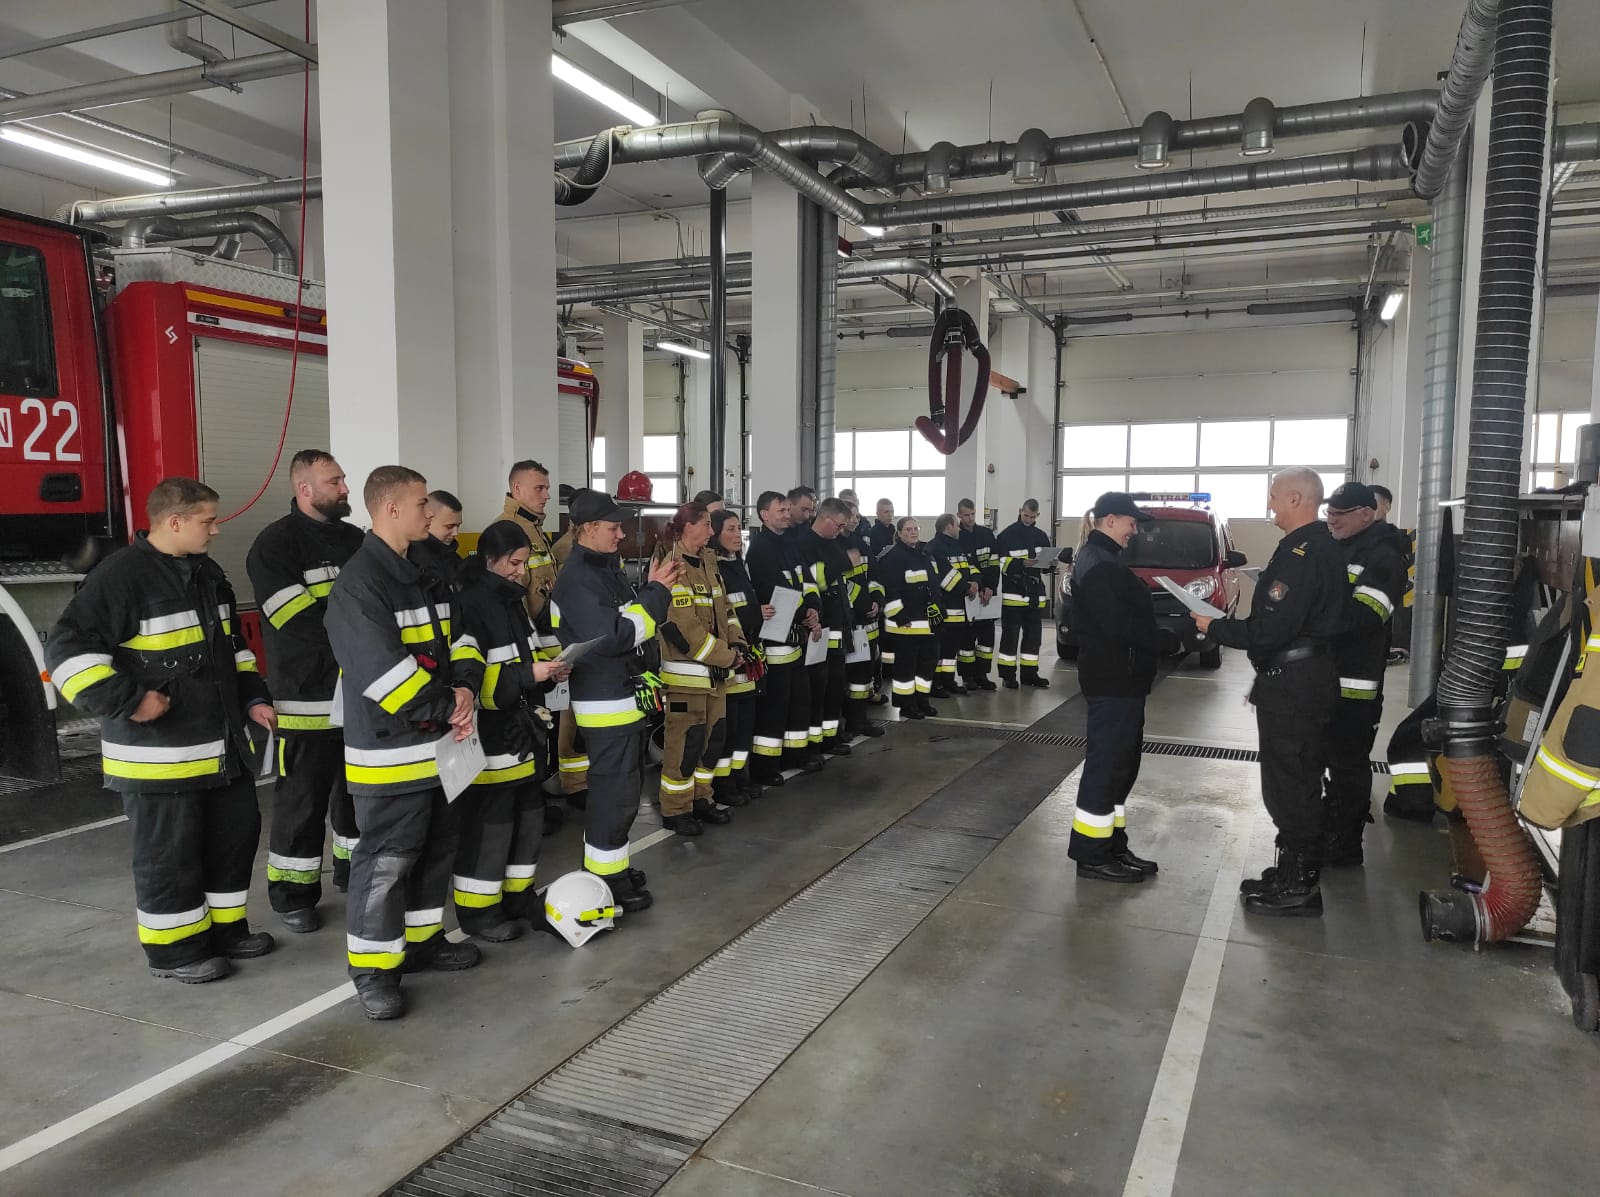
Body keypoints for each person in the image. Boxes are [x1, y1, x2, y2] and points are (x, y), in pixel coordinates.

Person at [46, 478, 277, 983]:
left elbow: (233, 649)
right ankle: (175, 952)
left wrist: (254, 696)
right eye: (207, 521)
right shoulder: (121, 577)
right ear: (174, 521)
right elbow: (66, 652)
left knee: (233, 840)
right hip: (160, 759)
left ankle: (225, 931)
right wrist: (129, 701)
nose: (215, 530)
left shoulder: (208, 573)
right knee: (169, 858)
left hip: (222, 751)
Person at [326, 466, 482, 1020]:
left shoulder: (425, 569)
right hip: (391, 755)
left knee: (436, 851)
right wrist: (448, 705)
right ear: (391, 509)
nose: (429, 512)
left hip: (439, 750)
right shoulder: (360, 584)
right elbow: (382, 673)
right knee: (386, 864)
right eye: (421, 504)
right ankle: (374, 972)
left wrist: (466, 686)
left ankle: (422, 942)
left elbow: (462, 637)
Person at [1192, 467, 1344, 918]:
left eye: (1274, 496)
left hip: (1296, 685)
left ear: (1296, 499)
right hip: (1297, 679)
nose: (1270, 504)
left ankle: (1301, 886)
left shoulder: (1304, 553)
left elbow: (1272, 629)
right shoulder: (1314, 547)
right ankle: (1289, 871)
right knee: (1290, 779)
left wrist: (1215, 627)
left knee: (1291, 784)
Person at [246, 449, 364, 933]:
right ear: (305, 489)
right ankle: (293, 896)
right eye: (335, 481)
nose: (345, 488)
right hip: (304, 698)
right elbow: (293, 619)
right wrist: (362, 641)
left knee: (357, 792)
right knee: (302, 801)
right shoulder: (274, 546)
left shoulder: (355, 540)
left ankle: (355, 872)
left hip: (356, 692)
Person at [550, 489, 679, 909]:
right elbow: (615, 636)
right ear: (588, 529)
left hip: (623, 696)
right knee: (613, 794)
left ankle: (614, 868)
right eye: (613, 527)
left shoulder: (604, 570)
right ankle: (605, 878)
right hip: (606, 703)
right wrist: (656, 593)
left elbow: (632, 623)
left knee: (624, 792)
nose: (621, 534)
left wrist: (651, 594)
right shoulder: (579, 579)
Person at [450, 520, 571, 941]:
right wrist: (527, 675)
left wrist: (550, 671)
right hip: (491, 734)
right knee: (492, 826)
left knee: (528, 817)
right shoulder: (471, 604)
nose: (521, 572)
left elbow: (526, 653)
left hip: (522, 728)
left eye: (523, 563)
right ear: (490, 560)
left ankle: (518, 896)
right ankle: (478, 911)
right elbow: (469, 678)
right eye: (514, 563)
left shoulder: (511, 602)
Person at [1067, 493, 1162, 884]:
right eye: (1130, 523)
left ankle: (1111, 844)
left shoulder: (1104, 559)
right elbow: (1115, 624)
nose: (1133, 531)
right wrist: (1161, 639)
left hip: (1123, 679)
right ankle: (1091, 854)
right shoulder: (1100, 564)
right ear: (1109, 520)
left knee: (1121, 767)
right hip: (1113, 679)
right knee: (1107, 766)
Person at [1322, 482, 1407, 867]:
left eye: (1340, 513)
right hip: (1327, 676)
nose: (1332, 519)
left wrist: (1312, 614)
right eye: (1329, 512)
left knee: (1349, 763)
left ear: (1367, 514)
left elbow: (1368, 614)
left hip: (1355, 685)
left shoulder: (1384, 554)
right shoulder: (1342, 547)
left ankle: (1344, 844)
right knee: (1330, 760)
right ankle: (1331, 825)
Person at [653, 502, 748, 834]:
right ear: (686, 527)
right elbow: (683, 630)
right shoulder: (673, 567)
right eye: (706, 524)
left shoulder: (709, 562)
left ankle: (701, 799)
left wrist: (738, 644)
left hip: (715, 677)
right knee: (684, 746)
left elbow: (727, 611)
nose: (711, 531)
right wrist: (726, 657)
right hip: (687, 682)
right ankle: (676, 809)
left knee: (711, 742)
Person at [499, 461, 573, 822]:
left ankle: (540, 801)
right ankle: (531, 809)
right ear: (516, 489)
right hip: (530, 653)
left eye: (547, 488)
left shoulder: (536, 530)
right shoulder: (510, 530)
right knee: (534, 728)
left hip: (549, 650)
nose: (546, 495)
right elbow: (514, 599)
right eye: (538, 488)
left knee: (548, 726)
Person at [747, 490, 820, 777]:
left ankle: (795, 756)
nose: (788, 515)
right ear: (764, 515)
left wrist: (813, 607)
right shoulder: (760, 549)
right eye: (782, 510)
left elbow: (808, 581)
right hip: (775, 639)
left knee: (799, 701)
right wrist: (804, 614)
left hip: (796, 638)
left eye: (789, 510)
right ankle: (766, 766)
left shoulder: (790, 544)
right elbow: (774, 590)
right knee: (775, 706)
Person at [711, 509, 770, 802]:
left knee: (746, 723)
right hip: (730, 658)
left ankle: (740, 778)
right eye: (730, 530)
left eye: (738, 529)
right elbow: (722, 616)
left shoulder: (738, 565)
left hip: (748, 656)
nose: (737, 535)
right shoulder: (715, 570)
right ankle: (723, 786)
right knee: (730, 726)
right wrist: (754, 613)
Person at [798, 497, 856, 754]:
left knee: (836, 684)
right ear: (824, 518)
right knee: (819, 686)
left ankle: (832, 736)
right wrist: (844, 563)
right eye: (839, 525)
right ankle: (815, 742)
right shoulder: (806, 544)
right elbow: (816, 581)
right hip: (820, 626)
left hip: (838, 624)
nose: (841, 531)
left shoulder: (833, 544)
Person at [877, 517, 941, 719]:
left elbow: (933, 587)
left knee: (926, 665)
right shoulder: (893, 557)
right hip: (906, 624)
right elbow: (890, 590)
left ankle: (922, 700)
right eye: (908, 529)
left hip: (927, 623)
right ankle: (906, 705)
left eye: (915, 528)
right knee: (906, 668)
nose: (913, 532)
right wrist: (900, 616)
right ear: (899, 533)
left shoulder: (923, 554)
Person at [996, 498, 1054, 688]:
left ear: (1038, 515)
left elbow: (1046, 565)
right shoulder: (1006, 535)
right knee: (1010, 638)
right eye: (1026, 515)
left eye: (1032, 517)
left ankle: (1030, 674)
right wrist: (1021, 563)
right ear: (1021, 510)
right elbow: (1001, 564)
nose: (1028, 519)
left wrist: (1051, 565)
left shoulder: (1041, 536)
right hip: (1014, 595)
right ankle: (1008, 676)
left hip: (1034, 596)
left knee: (1033, 638)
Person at [927, 513, 977, 698]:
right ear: (948, 526)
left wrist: (976, 581)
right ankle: (936, 684)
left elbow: (969, 567)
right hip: (946, 607)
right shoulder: (934, 548)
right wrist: (967, 587)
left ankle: (948, 681)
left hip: (960, 607)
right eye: (957, 525)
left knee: (951, 650)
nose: (959, 528)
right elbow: (945, 577)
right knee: (940, 649)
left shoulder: (957, 546)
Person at [957, 499, 1000, 690]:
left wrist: (990, 586)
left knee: (987, 639)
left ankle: (982, 674)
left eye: (972, 514)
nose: (970, 518)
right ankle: (967, 677)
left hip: (987, 595)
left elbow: (994, 563)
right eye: (966, 515)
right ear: (959, 515)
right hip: (969, 594)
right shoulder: (956, 537)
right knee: (967, 639)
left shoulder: (986, 534)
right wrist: (976, 586)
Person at [409, 490, 465, 588]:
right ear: (427, 519)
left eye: (458, 526)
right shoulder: (412, 559)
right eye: (449, 526)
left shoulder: (454, 557)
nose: (455, 533)